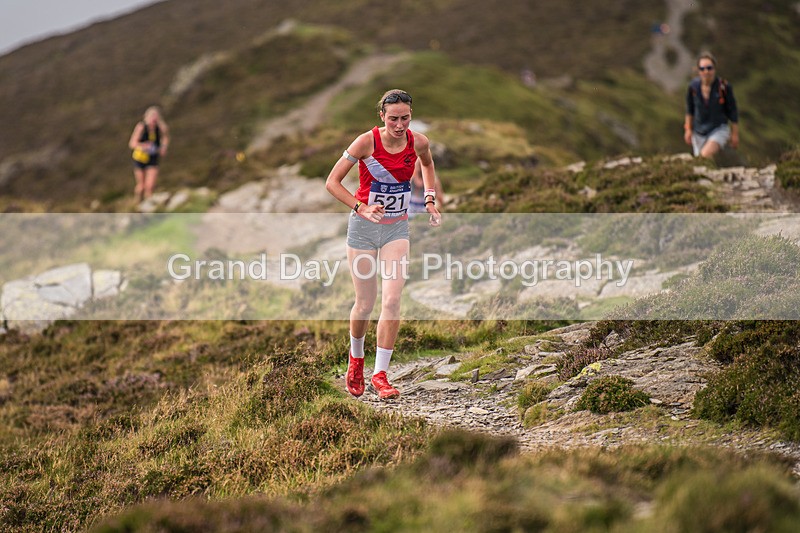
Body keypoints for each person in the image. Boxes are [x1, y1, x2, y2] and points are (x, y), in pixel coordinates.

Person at [325, 89, 442, 400]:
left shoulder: (419, 142)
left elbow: (428, 166)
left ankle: (380, 374)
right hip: (363, 229)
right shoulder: (366, 142)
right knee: (365, 303)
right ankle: (356, 360)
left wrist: (429, 198)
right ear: (382, 116)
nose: (400, 125)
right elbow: (331, 182)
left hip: (396, 230)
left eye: (405, 118)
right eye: (393, 119)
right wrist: (360, 207)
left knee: (391, 301)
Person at [684, 52, 739, 159]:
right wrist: (688, 129)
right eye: (702, 69)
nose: (706, 72)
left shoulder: (724, 87)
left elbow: (733, 111)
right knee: (702, 161)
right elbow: (690, 110)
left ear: (714, 69)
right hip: (698, 132)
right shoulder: (693, 87)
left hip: (718, 129)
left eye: (709, 68)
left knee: (703, 157)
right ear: (698, 70)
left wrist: (735, 134)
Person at [129, 106, 170, 202]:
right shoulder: (141, 127)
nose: (153, 120)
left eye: (155, 118)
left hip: (153, 157)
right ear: (147, 117)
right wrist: (143, 146)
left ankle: (148, 205)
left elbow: (165, 137)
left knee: (150, 185)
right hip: (140, 158)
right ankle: (137, 202)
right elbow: (132, 143)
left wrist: (163, 147)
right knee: (141, 185)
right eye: (152, 118)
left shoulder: (160, 128)